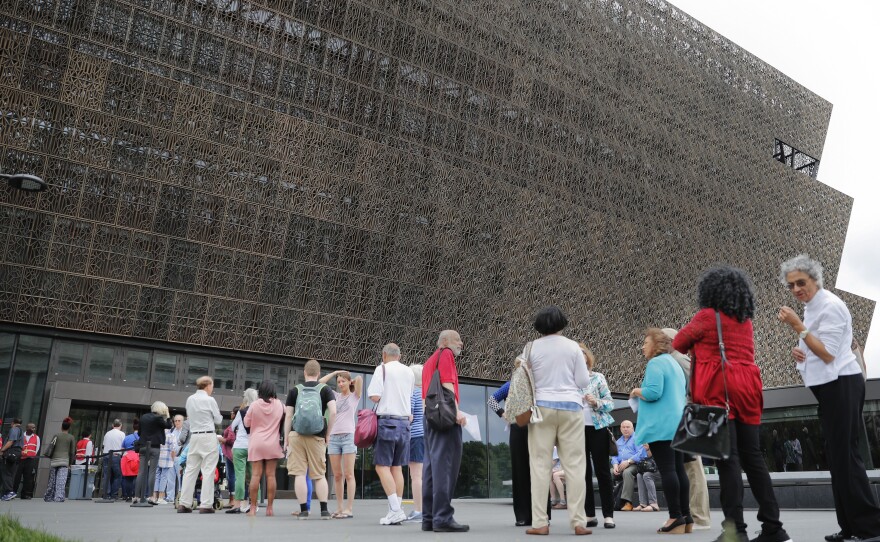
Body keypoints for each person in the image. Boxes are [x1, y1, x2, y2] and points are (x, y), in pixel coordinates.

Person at [674, 265, 791, 542]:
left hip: (720, 390)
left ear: (710, 291)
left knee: (728, 461)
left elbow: (678, 342)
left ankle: (735, 531)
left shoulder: (706, 316)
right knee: (753, 457)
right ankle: (775, 528)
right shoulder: (745, 320)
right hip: (749, 387)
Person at [778, 254, 880, 542]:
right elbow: (816, 348)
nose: (796, 289)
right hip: (829, 386)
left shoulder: (831, 306)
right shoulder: (812, 307)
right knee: (837, 458)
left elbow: (830, 353)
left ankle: (870, 527)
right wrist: (802, 352)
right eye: (791, 286)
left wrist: (798, 326)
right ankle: (850, 527)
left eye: (801, 282)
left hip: (843, 384)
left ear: (815, 280)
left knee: (846, 458)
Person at [523, 307, 591, 536]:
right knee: (575, 465)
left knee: (540, 466)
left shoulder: (531, 347)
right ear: (562, 323)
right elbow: (583, 380)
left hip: (541, 407)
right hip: (571, 407)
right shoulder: (573, 346)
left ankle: (540, 522)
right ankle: (579, 521)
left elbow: (525, 379)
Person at [630, 328, 690, 534]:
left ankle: (675, 517)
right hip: (678, 424)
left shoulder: (655, 363)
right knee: (679, 470)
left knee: (668, 470)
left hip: (661, 426)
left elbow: (654, 392)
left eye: (645, 343)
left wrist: (637, 391)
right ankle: (686, 516)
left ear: (655, 345)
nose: (642, 347)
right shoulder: (673, 363)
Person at [663, 327, 712, 531]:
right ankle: (693, 516)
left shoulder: (677, 358)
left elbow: (696, 386)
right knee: (688, 468)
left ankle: (699, 518)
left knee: (692, 468)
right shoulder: (673, 359)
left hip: (687, 417)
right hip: (686, 417)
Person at [422, 330, 470, 533]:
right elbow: (447, 386)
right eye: (458, 339)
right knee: (446, 467)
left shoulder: (428, 361)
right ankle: (443, 517)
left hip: (430, 417)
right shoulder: (446, 354)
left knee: (431, 468)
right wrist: (457, 413)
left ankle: (429, 518)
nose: (461, 343)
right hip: (445, 418)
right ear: (445, 342)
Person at [368, 343, 415, 526]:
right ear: (400, 356)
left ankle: (395, 510)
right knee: (397, 467)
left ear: (384, 354)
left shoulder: (382, 369)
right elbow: (409, 396)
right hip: (404, 423)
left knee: (382, 466)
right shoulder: (409, 372)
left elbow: (374, 396)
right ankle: (396, 509)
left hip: (387, 422)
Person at [284, 358, 337, 520]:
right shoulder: (325, 389)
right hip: (317, 435)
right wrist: (328, 433)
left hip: (297, 434)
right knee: (319, 474)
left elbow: (288, 415)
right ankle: (324, 510)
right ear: (318, 373)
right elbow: (333, 412)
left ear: (304, 373)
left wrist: (286, 438)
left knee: (300, 474)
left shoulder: (295, 390)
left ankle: (303, 511)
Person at [579, 343, 616, 529]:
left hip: (598, 428)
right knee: (582, 474)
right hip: (576, 430)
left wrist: (596, 402)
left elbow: (610, 403)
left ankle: (609, 515)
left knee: (602, 471)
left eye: (582, 352)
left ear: (587, 357)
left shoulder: (598, 377)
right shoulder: (569, 380)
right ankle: (589, 515)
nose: (580, 356)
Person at [318, 369, 362, 519]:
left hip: (349, 436)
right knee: (337, 475)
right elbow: (320, 383)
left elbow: (360, 379)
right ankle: (339, 507)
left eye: (343, 381)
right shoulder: (334, 396)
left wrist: (352, 381)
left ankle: (349, 508)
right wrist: (335, 372)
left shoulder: (354, 396)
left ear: (348, 382)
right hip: (334, 438)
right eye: (339, 382)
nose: (341, 384)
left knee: (349, 474)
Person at [488, 379, 533, 526]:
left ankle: (541, 514)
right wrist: (503, 414)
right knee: (520, 471)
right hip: (518, 426)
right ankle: (522, 515)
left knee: (538, 470)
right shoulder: (512, 384)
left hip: (538, 426)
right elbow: (492, 400)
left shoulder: (538, 382)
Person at [178, 376, 223, 513]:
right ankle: (206, 504)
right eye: (212, 386)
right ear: (208, 385)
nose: (212, 389)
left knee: (190, 470)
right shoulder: (210, 400)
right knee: (208, 470)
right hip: (208, 436)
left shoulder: (190, 399)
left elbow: (190, 416)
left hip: (194, 436)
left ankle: (184, 503)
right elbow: (218, 419)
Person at [244, 380, 284, 517]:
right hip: (272, 443)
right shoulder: (279, 404)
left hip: (256, 443)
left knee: (255, 475)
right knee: (271, 475)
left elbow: (246, 422)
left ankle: (253, 508)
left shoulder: (254, 405)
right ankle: (270, 508)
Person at [132, 401, 172, 507]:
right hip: (154, 447)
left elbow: (140, 433)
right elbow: (168, 426)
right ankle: (151, 496)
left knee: (141, 472)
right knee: (152, 472)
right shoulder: (158, 418)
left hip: (143, 446)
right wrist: (167, 415)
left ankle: (136, 496)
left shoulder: (143, 417)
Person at [227, 389, 258, 514]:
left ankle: (237, 504)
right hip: (254, 446)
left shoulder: (241, 412)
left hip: (240, 446)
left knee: (239, 475)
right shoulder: (259, 411)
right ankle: (253, 504)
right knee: (254, 476)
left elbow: (233, 426)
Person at [610, 420, 645, 511]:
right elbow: (614, 456)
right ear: (620, 429)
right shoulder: (618, 441)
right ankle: (610, 500)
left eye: (628, 427)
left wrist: (628, 461)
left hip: (635, 465)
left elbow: (640, 454)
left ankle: (626, 502)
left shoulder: (637, 438)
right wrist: (615, 465)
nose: (626, 429)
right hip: (620, 465)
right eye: (624, 427)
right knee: (609, 472)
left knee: (627, 472)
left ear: (632, 428)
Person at [406, 364, 425, 524]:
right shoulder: (426, 394)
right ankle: (425, 509)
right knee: (424, 475)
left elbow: (409, 417)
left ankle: (418, 510)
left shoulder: (412, 393)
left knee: (416, 476)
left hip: (415, 436)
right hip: (427, 436)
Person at [44, 417, 76, 502]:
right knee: (61, 481)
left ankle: (48, 496)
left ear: (61, 427)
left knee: (52, 480)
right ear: (69, 428)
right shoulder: (71, 437)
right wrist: (70, 463)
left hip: (54, 460)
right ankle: (58, 497)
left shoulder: (56, 435)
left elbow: (51, 446)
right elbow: (72, 452)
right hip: (64, 461)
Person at [153, 418, 178, 505]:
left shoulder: (158, 434)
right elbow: (174, 449)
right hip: (167, 459)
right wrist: (173, 459)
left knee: (156, 476)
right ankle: (160, 497)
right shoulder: (171, 436)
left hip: (157, 457)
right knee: (164, 477)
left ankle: (154, 496)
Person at [13, 422, 40, 499]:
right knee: (17, 477)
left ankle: (24, 494)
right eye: (32, 427)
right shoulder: (21, 436)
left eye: (34, 427)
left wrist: (31, 455)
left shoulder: (36, 437)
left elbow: (37, 448)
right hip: (20, 459)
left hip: (30, 460)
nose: (34, 429)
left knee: (27, 477)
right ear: (27, 428)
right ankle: (14, 493)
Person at [100, 419, 125, 501]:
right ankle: (114, 494)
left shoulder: (107, 433)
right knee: (117, 476)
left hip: (106, 455)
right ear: (120, 425)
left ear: (112, 425)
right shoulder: (122, 434)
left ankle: (106, 494)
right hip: (116, 455)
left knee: (107, 475)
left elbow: (104, 445)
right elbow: (123, 447)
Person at [0, 418, 24, 500]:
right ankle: (6, 494)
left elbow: (10, 441)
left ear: (13, 423)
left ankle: (9, 492)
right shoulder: (21, 431)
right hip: (17, 453)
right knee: (12, 472)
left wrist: (2, 450)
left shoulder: (14, 429)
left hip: (11, 452)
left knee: (6, 472)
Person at [221, 406, 239, 509]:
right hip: (236, 452)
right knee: (236, 476)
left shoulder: (234, 424)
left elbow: (231, 439)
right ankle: (235, 499)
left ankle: (232, 500)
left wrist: (222, 439)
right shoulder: (239, 424)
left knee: (231, 476)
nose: (230, 414)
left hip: (230, 453)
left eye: (232, 412)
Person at [70, 428, 95, 500]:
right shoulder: (89, 442)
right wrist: (90, 462)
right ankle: (87, 492)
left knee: (80, 478)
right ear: (89, 435)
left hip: (78, 461)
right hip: (85, 461)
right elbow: (88, 454)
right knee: (87, 478)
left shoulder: (79, 442)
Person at [634, 444, 660, 512]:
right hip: (653, 468)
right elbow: (646, 457)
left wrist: (649, 449)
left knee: (647, 475)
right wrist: (647, 449)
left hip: (663, 469)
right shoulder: (645, 440)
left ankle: (654, 503)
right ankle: (643, 503)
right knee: (639, 475)